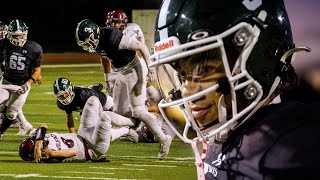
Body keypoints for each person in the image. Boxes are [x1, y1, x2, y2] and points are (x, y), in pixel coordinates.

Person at [149, 0, 320, 179]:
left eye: (205, 69)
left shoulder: (294, 144)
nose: (186, 91)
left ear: (258, 58)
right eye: (183, 74)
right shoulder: (229, 128)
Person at [75, 19, 172, 160]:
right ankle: (133, 125)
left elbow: (142, 47)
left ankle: (163, 138)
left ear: (94, 35)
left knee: (138, 110)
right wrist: (107, 78)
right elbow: (104, 57)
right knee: (119, 113)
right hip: (121, 71)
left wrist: (150, 68)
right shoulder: (98, 42)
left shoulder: (113, 37)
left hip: (135, 69)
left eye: (87, 42)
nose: (87, 46)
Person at [18, 93, 137, 163]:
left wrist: (38, 142)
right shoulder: (47, 156)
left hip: (82, 135)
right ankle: (132, 123)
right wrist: (53, 154)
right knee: (105, 117)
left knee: (93, 100)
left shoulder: (38, 140)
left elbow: (43, 125)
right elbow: (74, 152)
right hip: (93, 149)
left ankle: (123, 130)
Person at [53, 77, 138, 144]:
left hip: (103, 102)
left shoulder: (82, 95)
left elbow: (98, 102)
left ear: (70, 90)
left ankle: (132, 126)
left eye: (65, 93)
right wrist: (73, 135)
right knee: (96, 134)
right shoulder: (62, 103)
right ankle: (125, 130)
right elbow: (70, 119)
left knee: (126, 116)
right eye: (60, 96)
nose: (64, 97)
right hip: (89, 107)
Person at [0, 19, 42, 140]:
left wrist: (29, 83)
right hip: (5, 82)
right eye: (15, 36)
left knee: (12, 112)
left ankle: (1, 132)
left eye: (21, 35)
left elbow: (37, 69)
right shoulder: (4, 44)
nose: (19, 38)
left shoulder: (34, 48)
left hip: (22, 85)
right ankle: (25, 125)